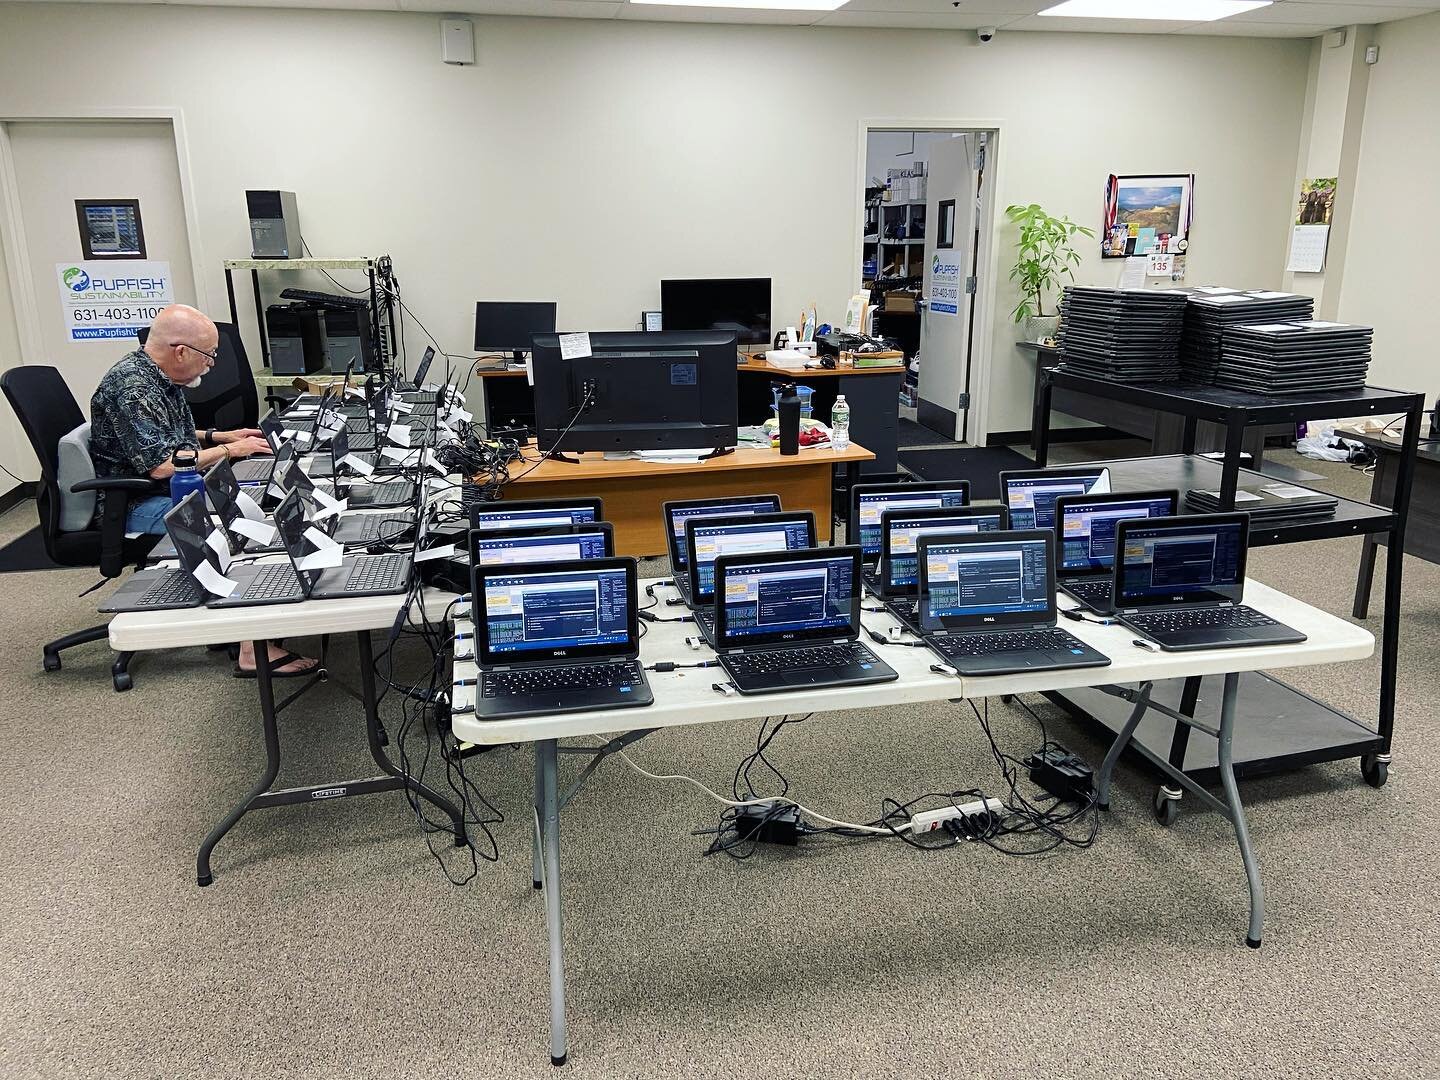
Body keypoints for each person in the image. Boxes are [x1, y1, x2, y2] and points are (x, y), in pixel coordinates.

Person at [90, 304, 317, 679]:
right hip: (135, 501)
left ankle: (266, 618)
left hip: (169, 488)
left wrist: (220, 436)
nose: (211, 364)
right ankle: (251, 648)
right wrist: (231, 450)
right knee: (235, 528)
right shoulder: (131, 387)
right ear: (181, 351)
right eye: (208, 355)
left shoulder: (156, 377)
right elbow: (162, 463)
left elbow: (171, 434)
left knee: (253, 506)